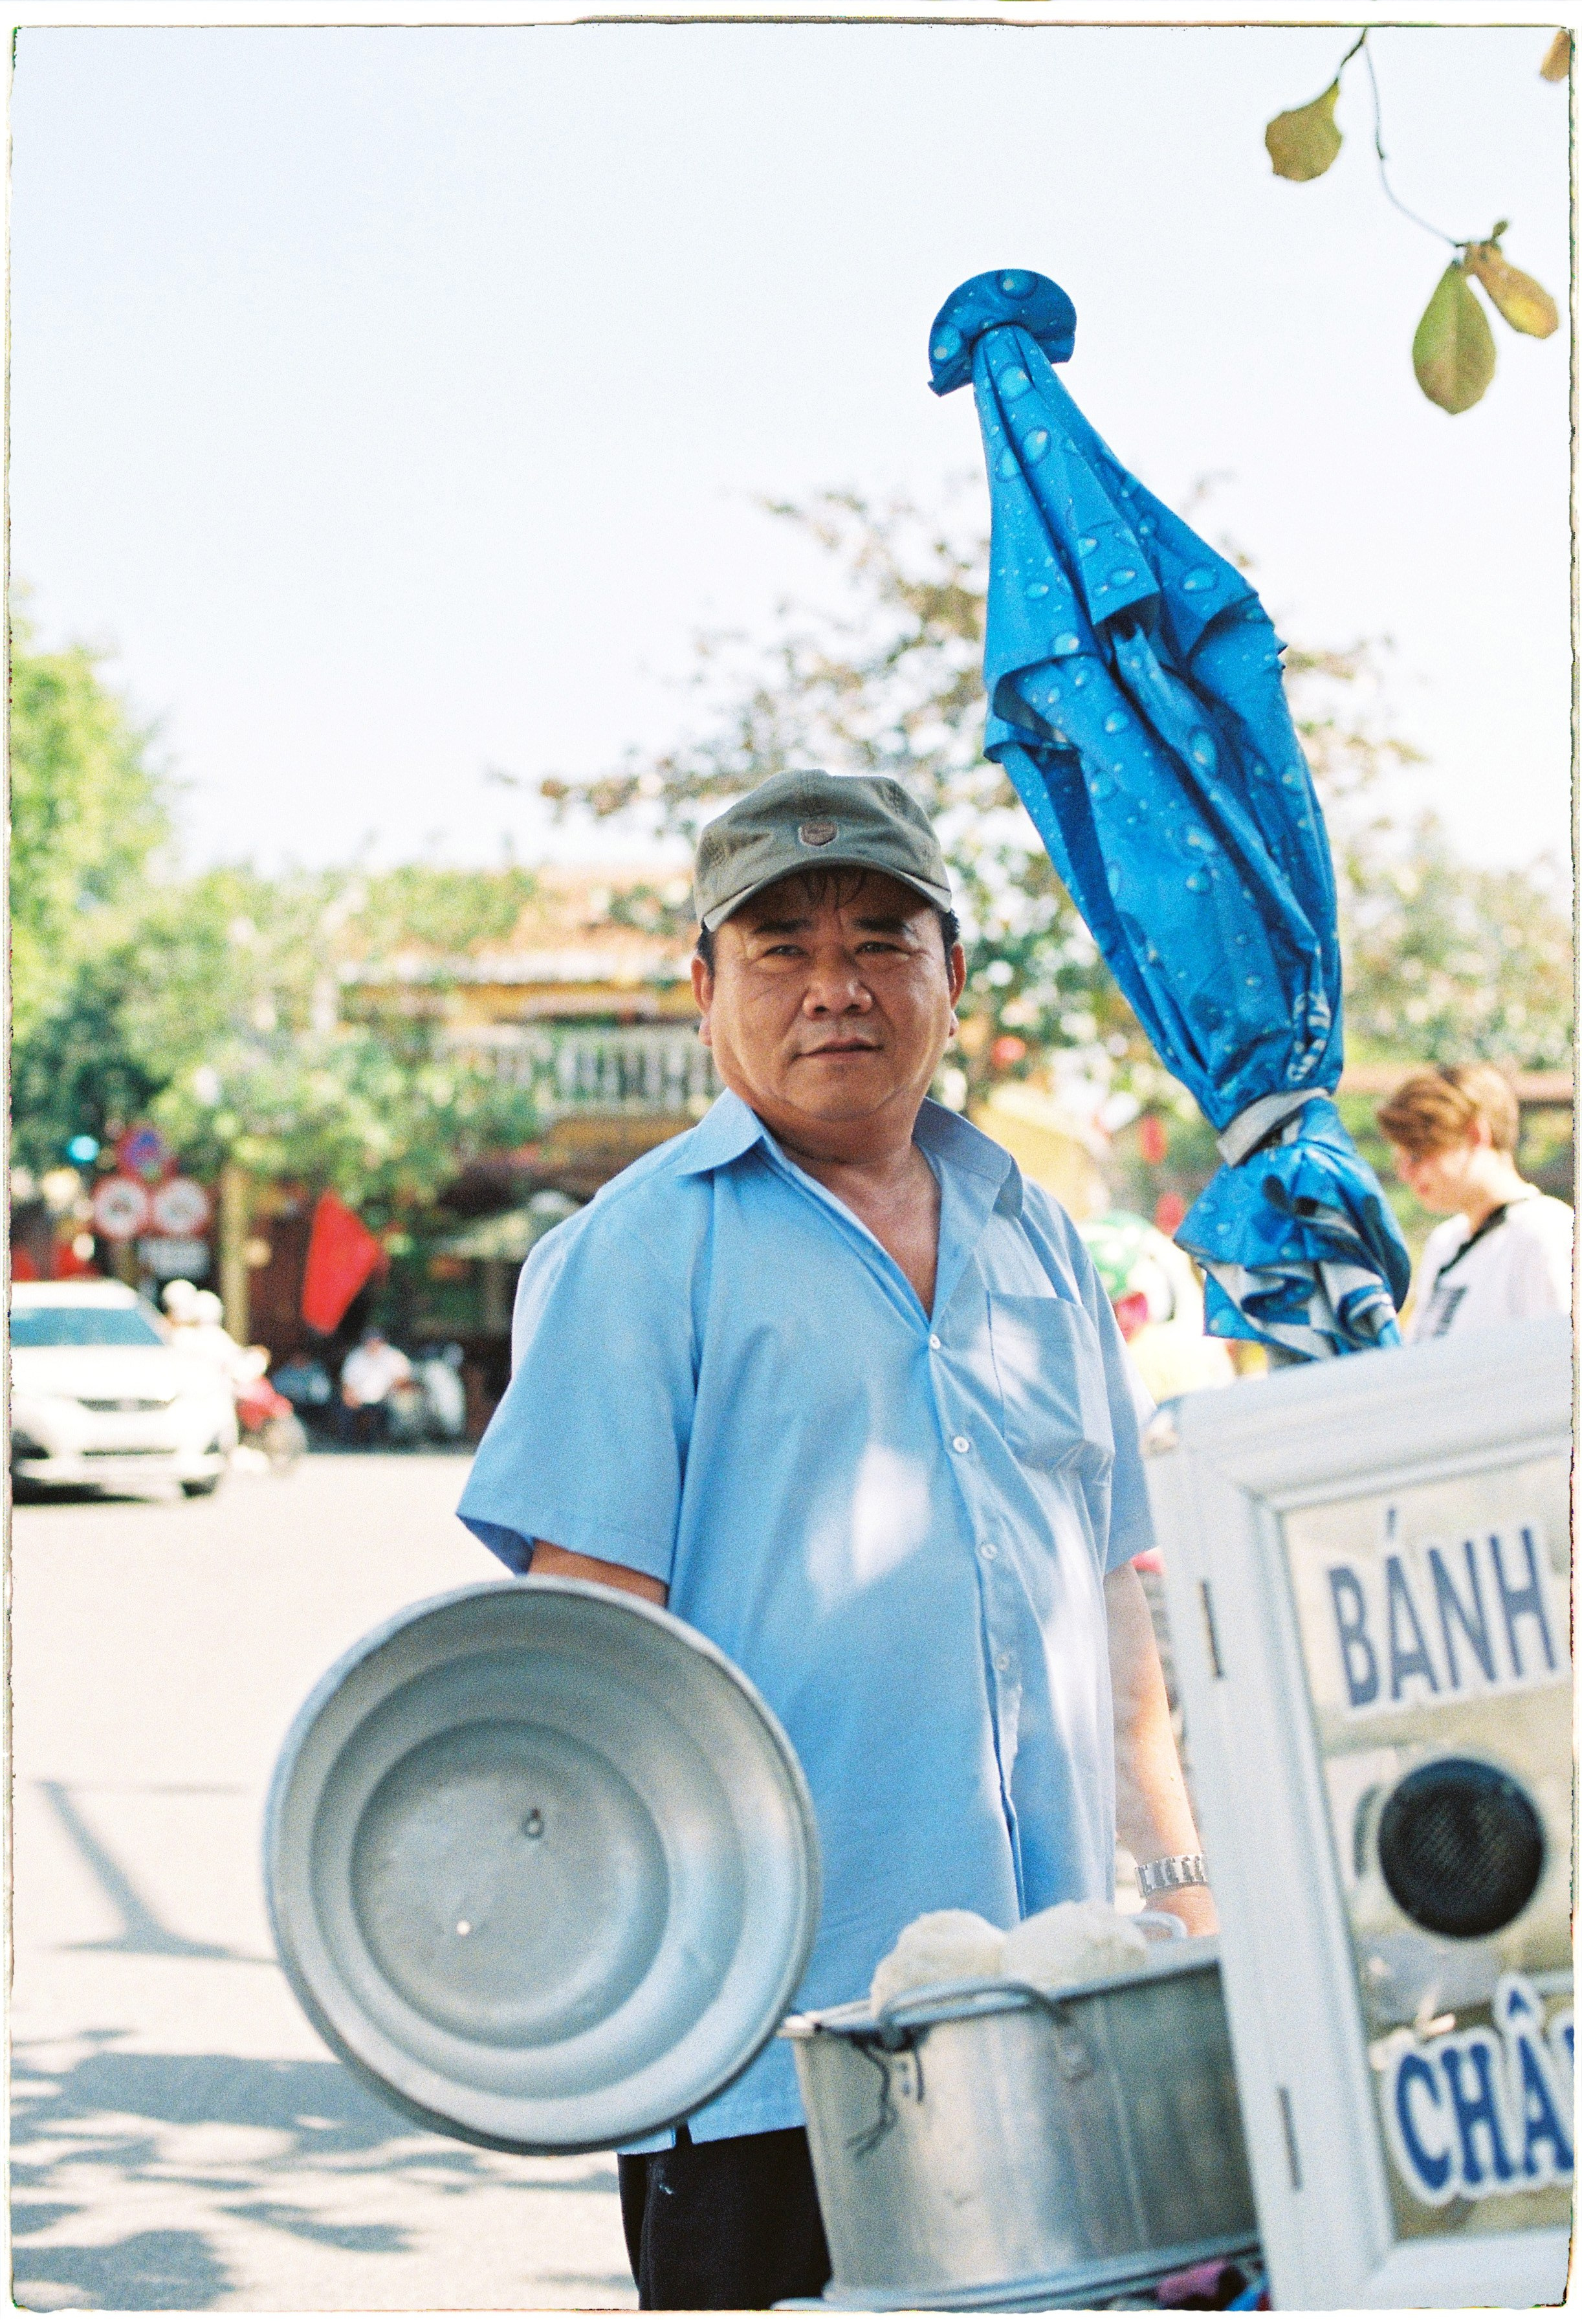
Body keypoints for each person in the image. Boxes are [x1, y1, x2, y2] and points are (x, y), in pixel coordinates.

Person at [459, 769, 1213, 2312]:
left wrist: (1179, 1880)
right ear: (701, 987)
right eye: (780, 948)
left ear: (953, 972)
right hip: (765, 2048)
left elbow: (1113, 1597)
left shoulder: (1037, 1236)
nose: (835, 989)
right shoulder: (639, 1250)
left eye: (880, 939)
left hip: (1058, 2008)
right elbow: (589, 1667)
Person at [1377, 1064, 1573, 1342]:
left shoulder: (1545, 1231)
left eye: (1417, 1155)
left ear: (1475, 1135)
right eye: (1400, 1158)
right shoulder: (1444, 1242)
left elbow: (1563, 1367)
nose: (1405, 1173)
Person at [338, 1325, 412, 1445]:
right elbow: (347, 1383)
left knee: (401, 1406)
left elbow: (404, 1379)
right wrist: (350, 1396)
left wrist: (389, 1393)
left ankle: (396, 1442)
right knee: (344, 1409)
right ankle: (348, 1445)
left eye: (376, 1340)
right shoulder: (355, 1357)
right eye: (370, 1340)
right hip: (360, 1400)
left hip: (387, 1399)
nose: (372, 1343)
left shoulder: (394, 1356)